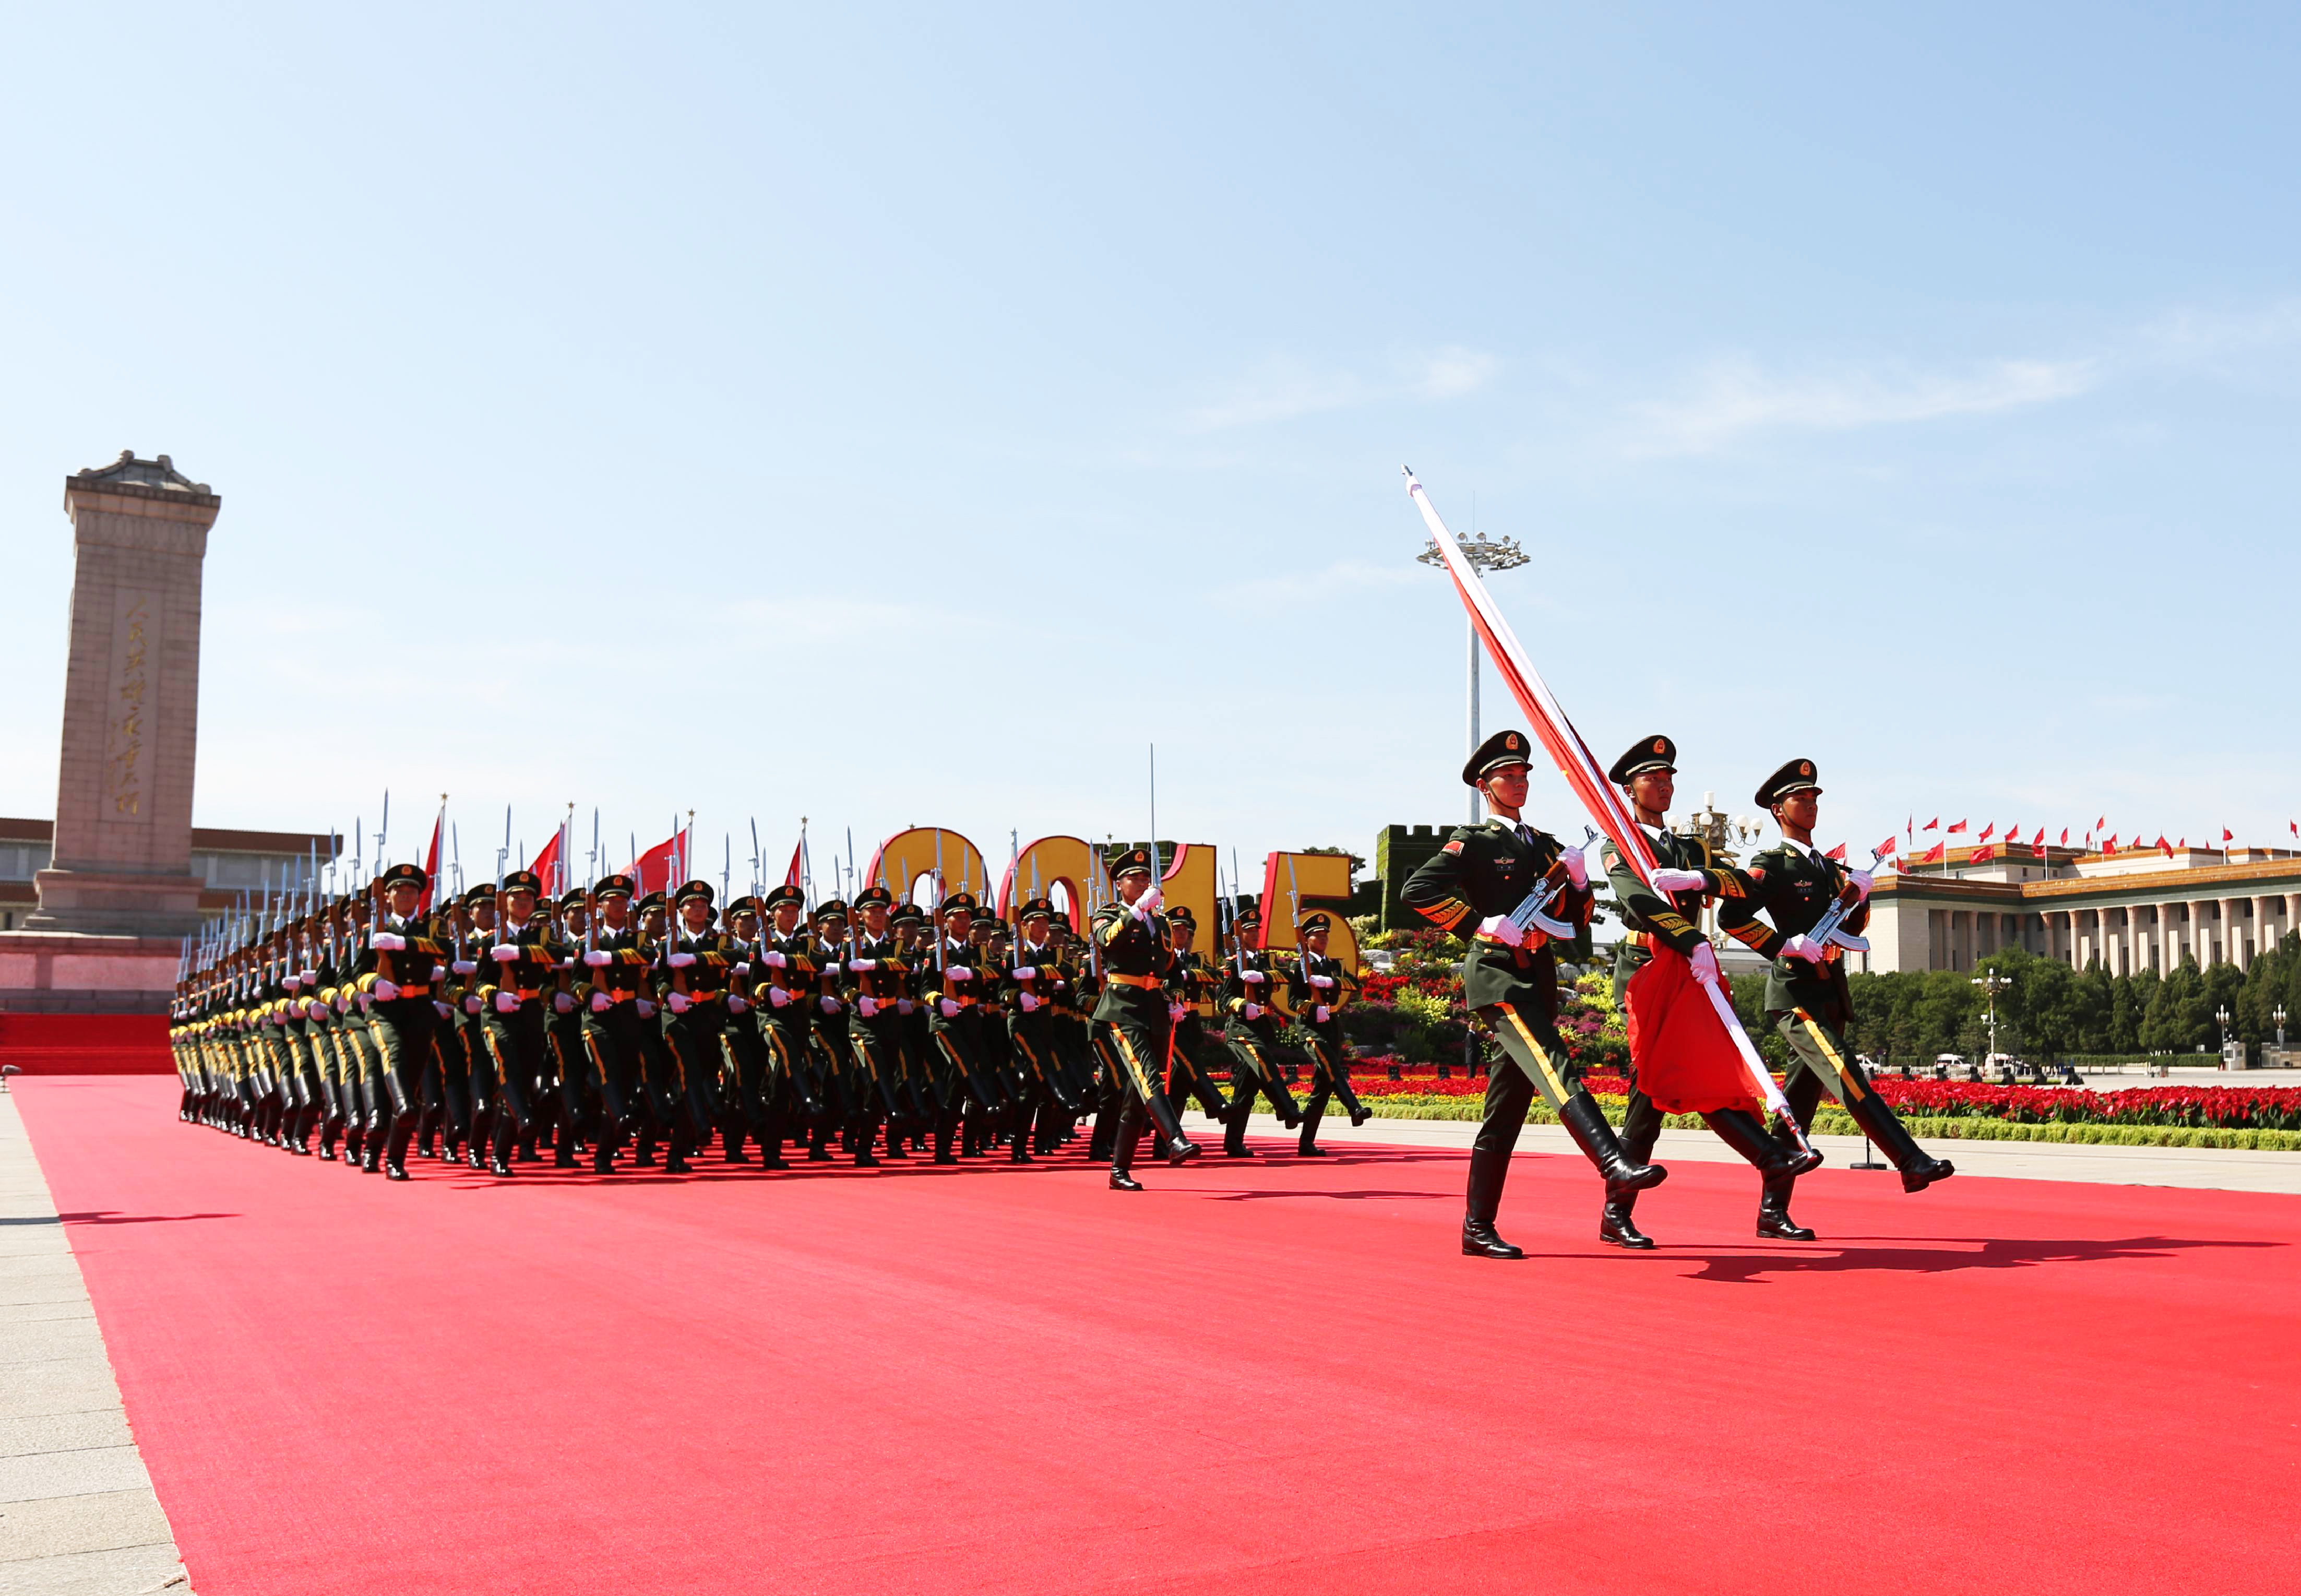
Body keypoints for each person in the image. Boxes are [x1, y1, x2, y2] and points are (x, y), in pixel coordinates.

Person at [1404, 729, 1666, 1257]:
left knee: (1506, 1109)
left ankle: (1476, 1227)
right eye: (1508, 774)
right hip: (1497, 975)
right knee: (1553, 1060)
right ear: (1485, 784)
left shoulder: (1544, 844)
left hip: (1537, 975)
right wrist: (1480, 924)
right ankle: (1611, 1161)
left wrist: (1575, 882)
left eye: (1524, 774)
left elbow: (1581, 918)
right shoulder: (1473, 841)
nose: (1519, 782)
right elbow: (1417, 890)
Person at [1600, 734, 1821, 1250]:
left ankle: (1616, 1212)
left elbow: (1734, 882)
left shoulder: (1684, 848)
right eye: (1651, 778)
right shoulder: (1621, 842)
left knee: (1668, 1086)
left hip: (1688, 970)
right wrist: (1690, 935)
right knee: (1671, 1081)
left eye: (1668, 778)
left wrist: (1697, 877)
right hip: (1647, 969)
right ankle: (1767, 1156)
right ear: (1629, 788)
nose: (1662, 785)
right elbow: (1634, 903)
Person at [1719, 759, 1954, 1237]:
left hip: (1830, 991)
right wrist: (1783, 946)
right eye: (1800, 799)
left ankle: (1771, 1210)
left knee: (1799, 1108)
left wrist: (1859, 899)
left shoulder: (1827, 868)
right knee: (1846, 1071)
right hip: (1793, 995)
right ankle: (1908, 1159)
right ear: (1778, 810)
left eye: (1814, 798)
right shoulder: (1770, 865)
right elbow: (1731, 917)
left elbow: (1849, 931)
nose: (1810, 805)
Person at [1089, 848, 1202, 1189]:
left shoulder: (1161, 923)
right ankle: (1175, 1140)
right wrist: (1137, 911)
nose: (1141, 884)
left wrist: (1177, 997)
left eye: (1144, 879)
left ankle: (1118, 1170)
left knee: (1138, 1095)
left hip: (1153, 1009)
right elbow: (1106, 942)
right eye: (1134, 879)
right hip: (1121, 1008)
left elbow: (1174, 969)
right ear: (1119, 885)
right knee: (1147, 1075)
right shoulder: (1107, 914)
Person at [353, 863, 450, 1181]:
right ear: (389, 896)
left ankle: (394, 1158)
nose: (406, 895)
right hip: (385, 1011)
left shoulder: (430, 928)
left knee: (410, 1076)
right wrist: (372, 983)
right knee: (394, 1059)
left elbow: (444, 950)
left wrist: (404, 945)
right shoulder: (373, 929)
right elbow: (354, 973)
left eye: (412, 891)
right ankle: (400, 1113)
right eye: (399, 890)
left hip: (420, 1008)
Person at [1214, 903, 1304, 1157]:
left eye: (1256, 930)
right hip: (1241, 1028)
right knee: (1263, 1061)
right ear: (1238, 935)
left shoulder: (1266, 961)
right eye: (1249, 931)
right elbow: (1223, 1001)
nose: (1254, 935)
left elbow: (1287, 976)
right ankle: (1288, 1109)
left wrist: (1262, 977)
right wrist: (1243, 1005)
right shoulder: (1232, 963)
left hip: (1262, 1027)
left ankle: (1233, 1142)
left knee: (1246, 1090)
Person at [1283, 912, 1371, 1156]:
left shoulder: (1334, 965)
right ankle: (1353, 1107)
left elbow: (1355, 984)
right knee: (1331, 1066)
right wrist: (1313, 1009)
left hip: (1331, 1025)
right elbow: (1293, 1001)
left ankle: (1306, 1142)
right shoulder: (1298, 965)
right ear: (1307, 940)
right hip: (1311, 1028)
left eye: (1325, 936)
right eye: (1318, 936)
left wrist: (1331, 983)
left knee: (1323, 1087)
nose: (1323, 940)